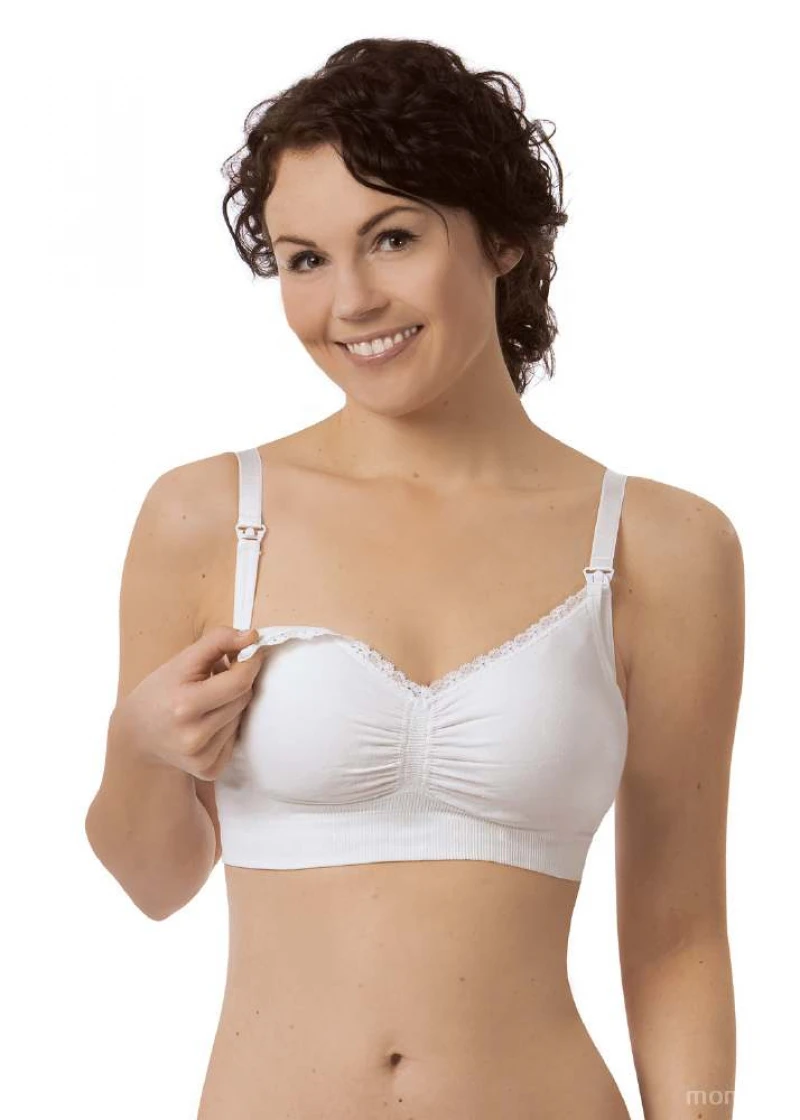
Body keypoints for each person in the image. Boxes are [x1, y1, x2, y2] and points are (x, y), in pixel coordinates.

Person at [85, 37, 743, 1120]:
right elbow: (154, 884)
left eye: (391, 238)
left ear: (503, 238)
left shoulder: (661, 546)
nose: (349, 300)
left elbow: (678, 934)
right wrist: (139, 745)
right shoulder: (207, 517)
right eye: (304, 259)